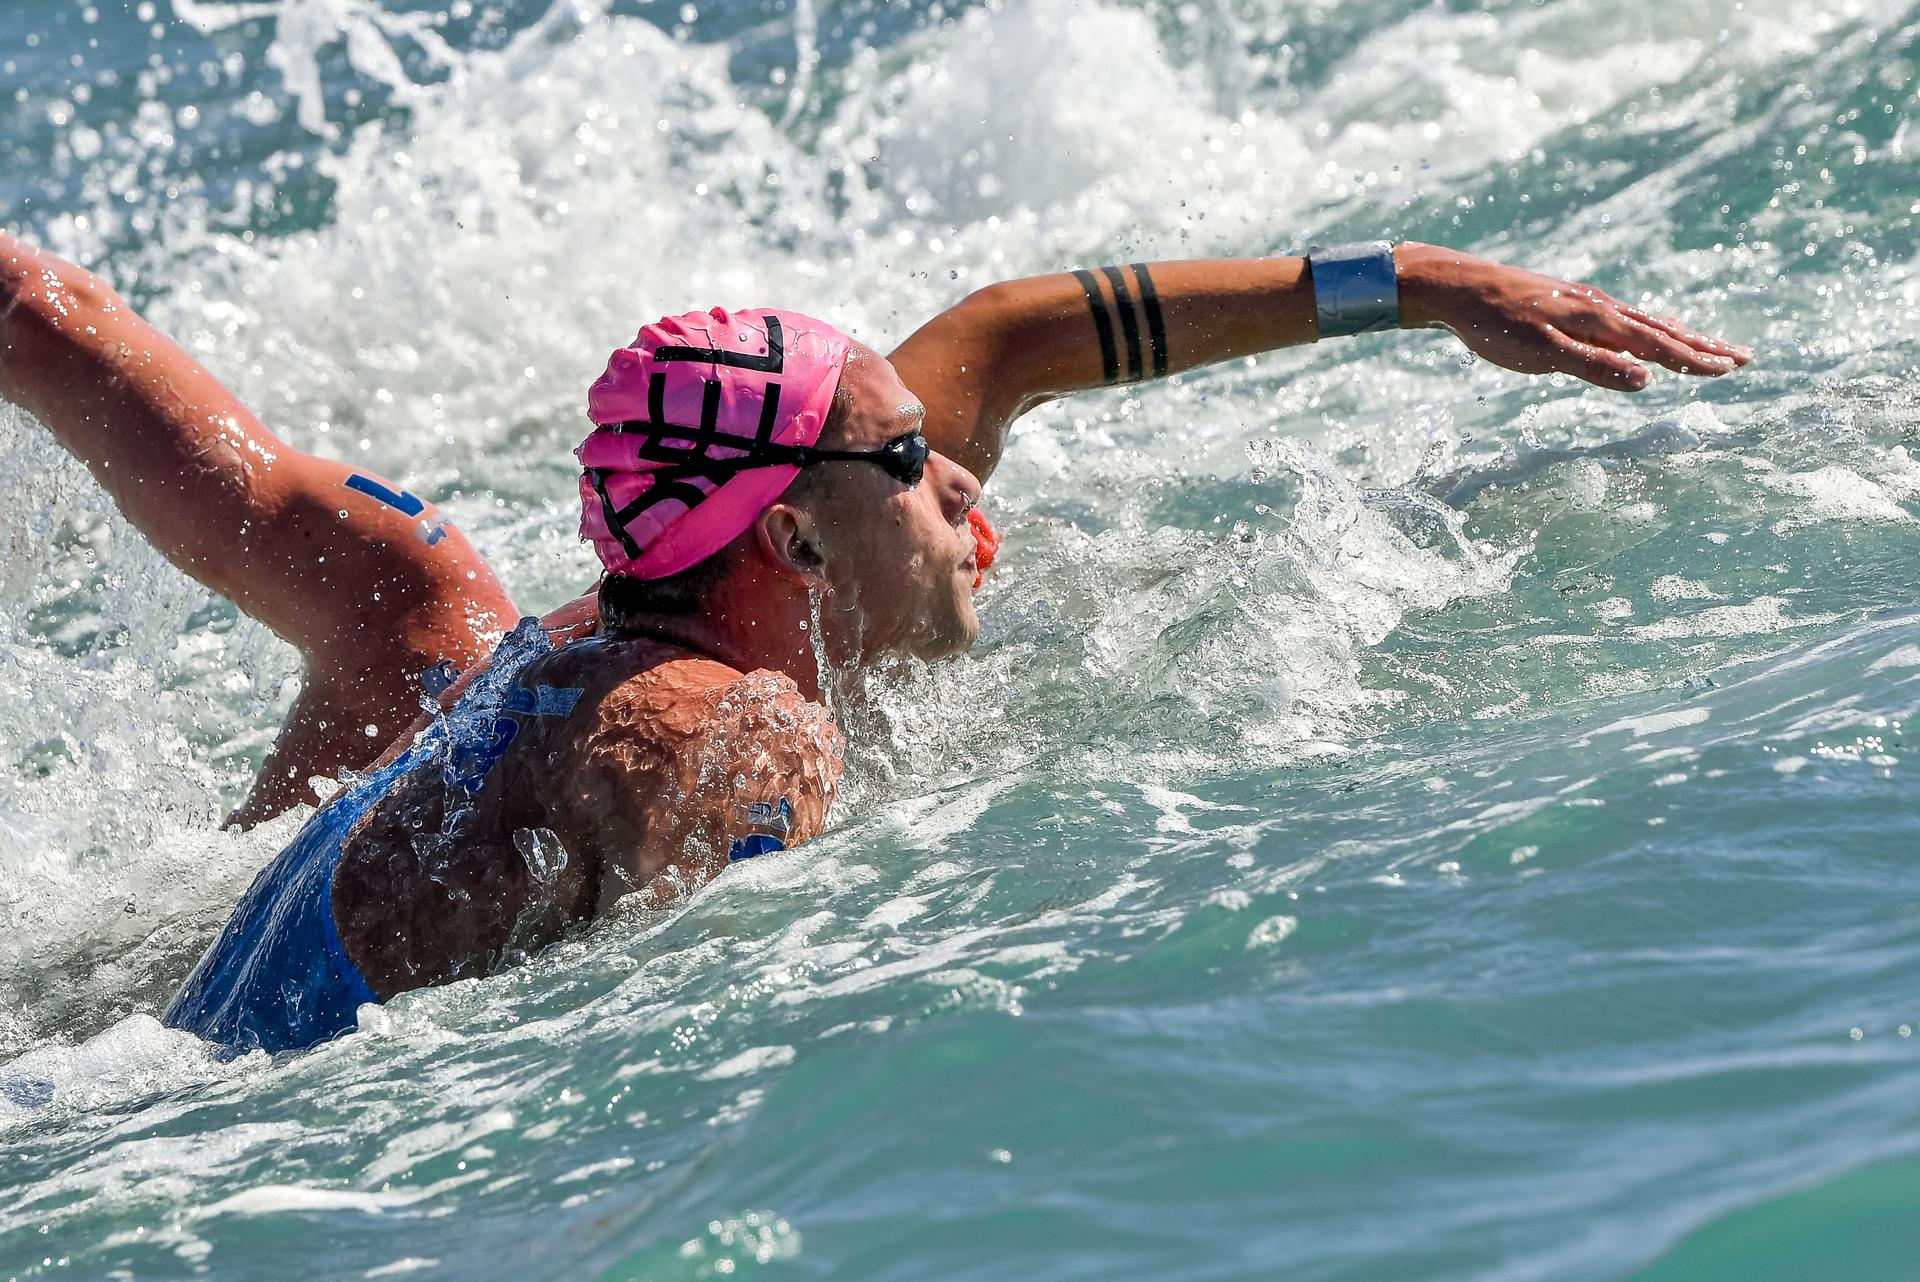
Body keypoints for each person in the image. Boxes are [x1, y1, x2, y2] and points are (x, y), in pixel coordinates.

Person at [0, 233, 1751, 1052]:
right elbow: (671, 892)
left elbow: (1017, 328)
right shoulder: (735, 729)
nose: (964, 479)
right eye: (914, 461)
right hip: (172, 1128)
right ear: (791, 529)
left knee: (423, 617)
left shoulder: (525, 622)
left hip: (140, 983)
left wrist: (1429, 287)